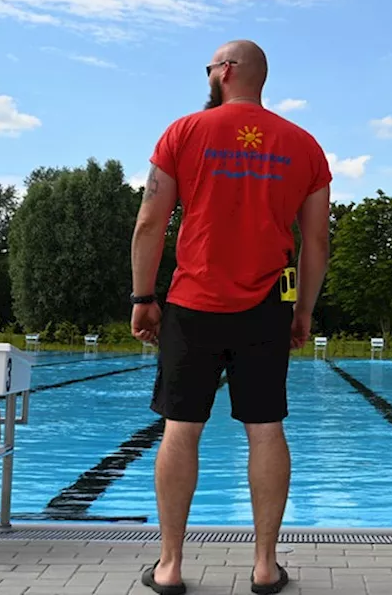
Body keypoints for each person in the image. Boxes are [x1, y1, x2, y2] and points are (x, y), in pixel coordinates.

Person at [130, 39, 331, 595]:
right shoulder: (304, 145)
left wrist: (142, 296)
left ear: (225, 72)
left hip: (192, 303)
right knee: (266, 429)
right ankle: (265, 566)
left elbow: (151, 220)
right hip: (267, 305)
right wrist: (304, 311)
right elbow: (316, 242)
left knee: (181, 428)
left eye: (209, 66)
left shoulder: (183, 133)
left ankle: (169, 566)